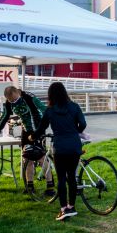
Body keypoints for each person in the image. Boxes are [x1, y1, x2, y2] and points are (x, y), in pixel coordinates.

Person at [0, 84, 51, 194]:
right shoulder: (9, 102)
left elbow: (45, 110)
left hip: (37, 130)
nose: (13, 102)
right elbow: (5, 116)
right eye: (10, 101)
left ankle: (50, 186)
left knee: (41, 157)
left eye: (14, 99)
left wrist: (42, 127)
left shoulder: (29, 97)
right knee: (26, 158)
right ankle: (30, 186)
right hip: (26, 131)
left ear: (17, 92)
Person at [41, 82, 87, 221]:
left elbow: (41, 127)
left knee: (61, 178)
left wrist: (32, 136)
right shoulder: (74, 106)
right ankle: (71, 206)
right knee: (71, 177)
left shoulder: (50, 110)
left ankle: (63, 209)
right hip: (74, 145)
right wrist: (75, 132)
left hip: (60, 147)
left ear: (51, 95)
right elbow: (83, 124)